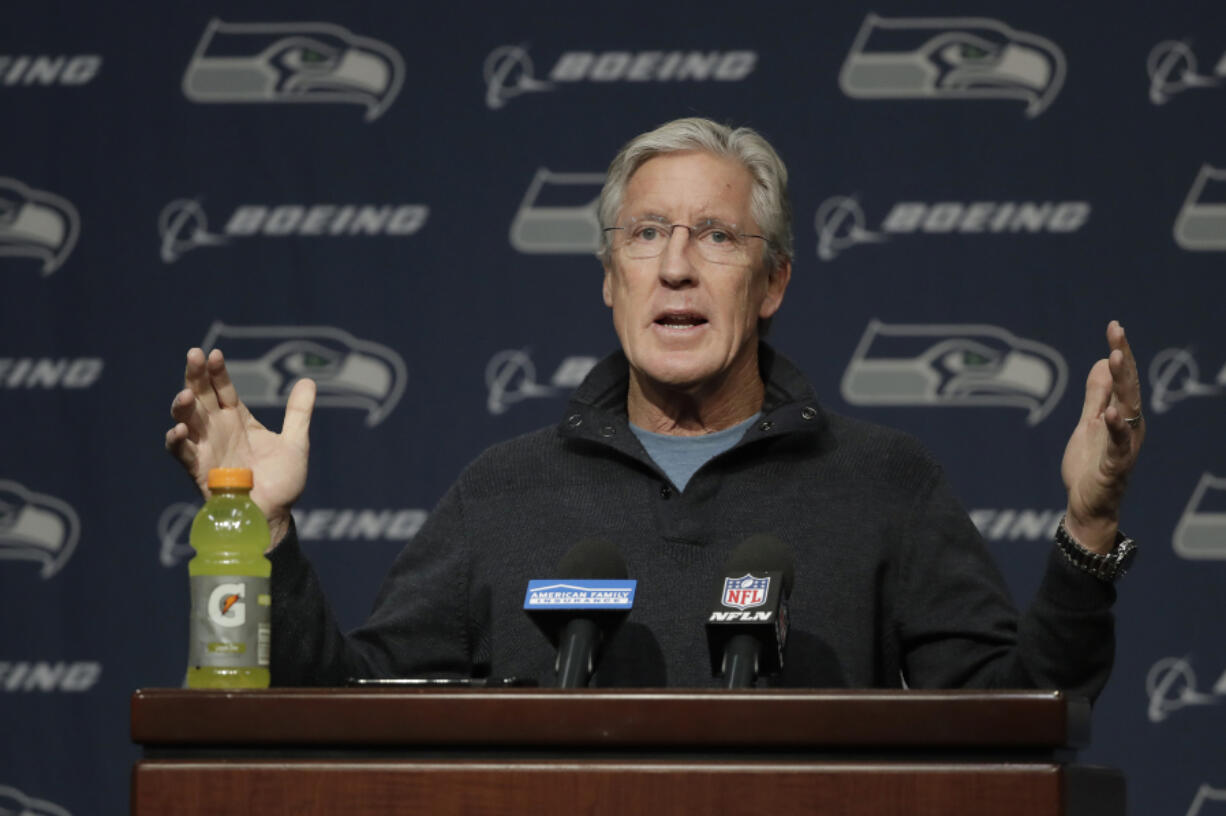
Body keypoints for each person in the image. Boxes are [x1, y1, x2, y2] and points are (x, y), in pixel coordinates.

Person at [166, 117, 1144, 692]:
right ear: (608, 277)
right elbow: (349, 714)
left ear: (771, 284)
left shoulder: (884, 485)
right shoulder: (504, 493)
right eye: (645, 234)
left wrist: (1085, 528)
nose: (675, 265)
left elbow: (1017, 723)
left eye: (715, 236)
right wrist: (258, 529)